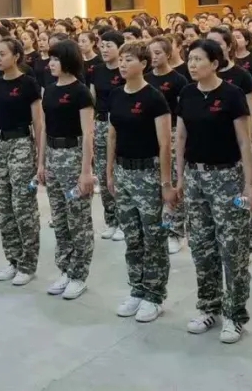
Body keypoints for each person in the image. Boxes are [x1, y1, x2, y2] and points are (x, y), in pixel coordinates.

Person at [176, 38, 252, 342]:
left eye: (198, 59)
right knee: (201, 245)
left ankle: (234, 314)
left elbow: (244, 141)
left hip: (227, 178)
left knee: (232, 247)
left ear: (215, 63)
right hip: (195, 177)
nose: (192, 65)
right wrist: (179, 177)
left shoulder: (232, 94)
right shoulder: (187, 93)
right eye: (190, 59)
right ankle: (208, 306)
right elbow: (181, 138)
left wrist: (249, 184)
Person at [107, 40, 175, 323]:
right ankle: (137, 289)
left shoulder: (154, 98)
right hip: (123, 172)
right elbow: (112, 135)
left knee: (153, 237)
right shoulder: (116, 95)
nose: (123, 64)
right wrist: (109, 172)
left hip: (148, 173)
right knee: (132, 236)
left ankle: (154, 296)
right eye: (121, 59)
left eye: (129, 60)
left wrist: (165, 183)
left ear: (144, 64)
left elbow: (165, 144)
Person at [41, 39, 96, 300]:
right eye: (50, 58)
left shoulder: (80, 92)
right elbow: (44, 129)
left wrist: (86, 171)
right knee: (60, 218)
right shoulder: (50, 90)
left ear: (68, 61)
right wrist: (41, 163)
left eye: (56, 59)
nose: (51, 63)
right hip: (52, 155)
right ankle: (64, 269)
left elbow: (88, 134)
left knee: (78, 219)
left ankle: (79, 275)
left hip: (73, 156)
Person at [0, 37, 43, 286]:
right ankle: (12, 259)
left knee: (23, 205)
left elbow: (38, 123)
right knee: (4, 204)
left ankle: (28, 263)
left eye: (3, 54)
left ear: (16, 56)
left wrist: (40, 158)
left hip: (20, 143)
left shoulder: (28, 83)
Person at [146, 37, 189, 254]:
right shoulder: (145, 79)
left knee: (171, 182)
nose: (153, 57)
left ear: (168, 54)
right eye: (150, 53)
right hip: (149, 133)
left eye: (158, 53)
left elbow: (183, 112)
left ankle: (175, 231)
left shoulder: (178, 80)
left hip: (171, 132)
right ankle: (158, 230)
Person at [91, 30, 126, 241]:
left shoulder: (124, 69)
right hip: (101, 122)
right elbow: (93, 98)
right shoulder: (97, 70)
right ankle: (111, 219)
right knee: (104, 174)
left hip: (121, 124)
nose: (104, 49)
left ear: (120, 48)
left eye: (109, 46)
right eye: (102, 45)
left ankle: (124, 221)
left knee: (119, 173)